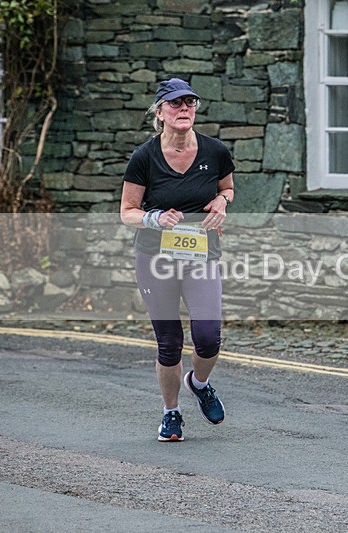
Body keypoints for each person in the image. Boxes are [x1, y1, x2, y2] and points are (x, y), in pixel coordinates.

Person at [120, 78, 235, 442]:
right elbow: (127, 211)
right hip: (156, 257)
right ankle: (171, 413)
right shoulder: (144, 157)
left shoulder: (215, 152)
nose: (183, 108)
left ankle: (199, 383)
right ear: (160, 112)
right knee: (169, 341)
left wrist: (222, 202)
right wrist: (154, 218)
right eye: (175, 104)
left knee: (208, 336)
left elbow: (227, 188)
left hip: (202, 253)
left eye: (189, 102)